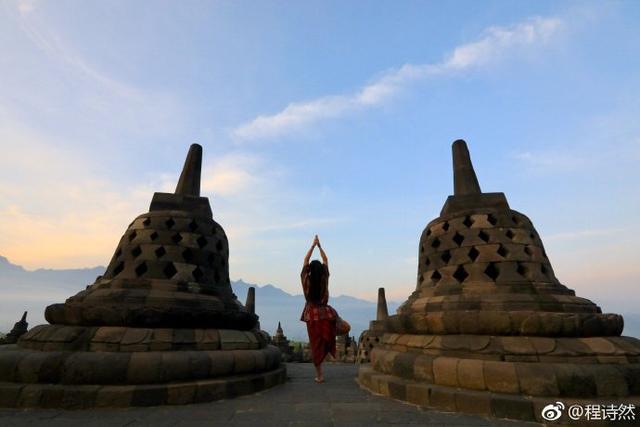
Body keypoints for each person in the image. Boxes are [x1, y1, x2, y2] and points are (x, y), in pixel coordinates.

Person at [300, 234, 337, 383]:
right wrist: (319, 246)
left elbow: (305, 261)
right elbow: (326, 260)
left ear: (309, 271)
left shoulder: (306, 280)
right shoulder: (324, 278)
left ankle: (319, 375)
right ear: (322, 271)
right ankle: (332, 342)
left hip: (312, 316)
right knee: (330, 331)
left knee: (315, 343)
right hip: (326, 313)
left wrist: (312, 246)